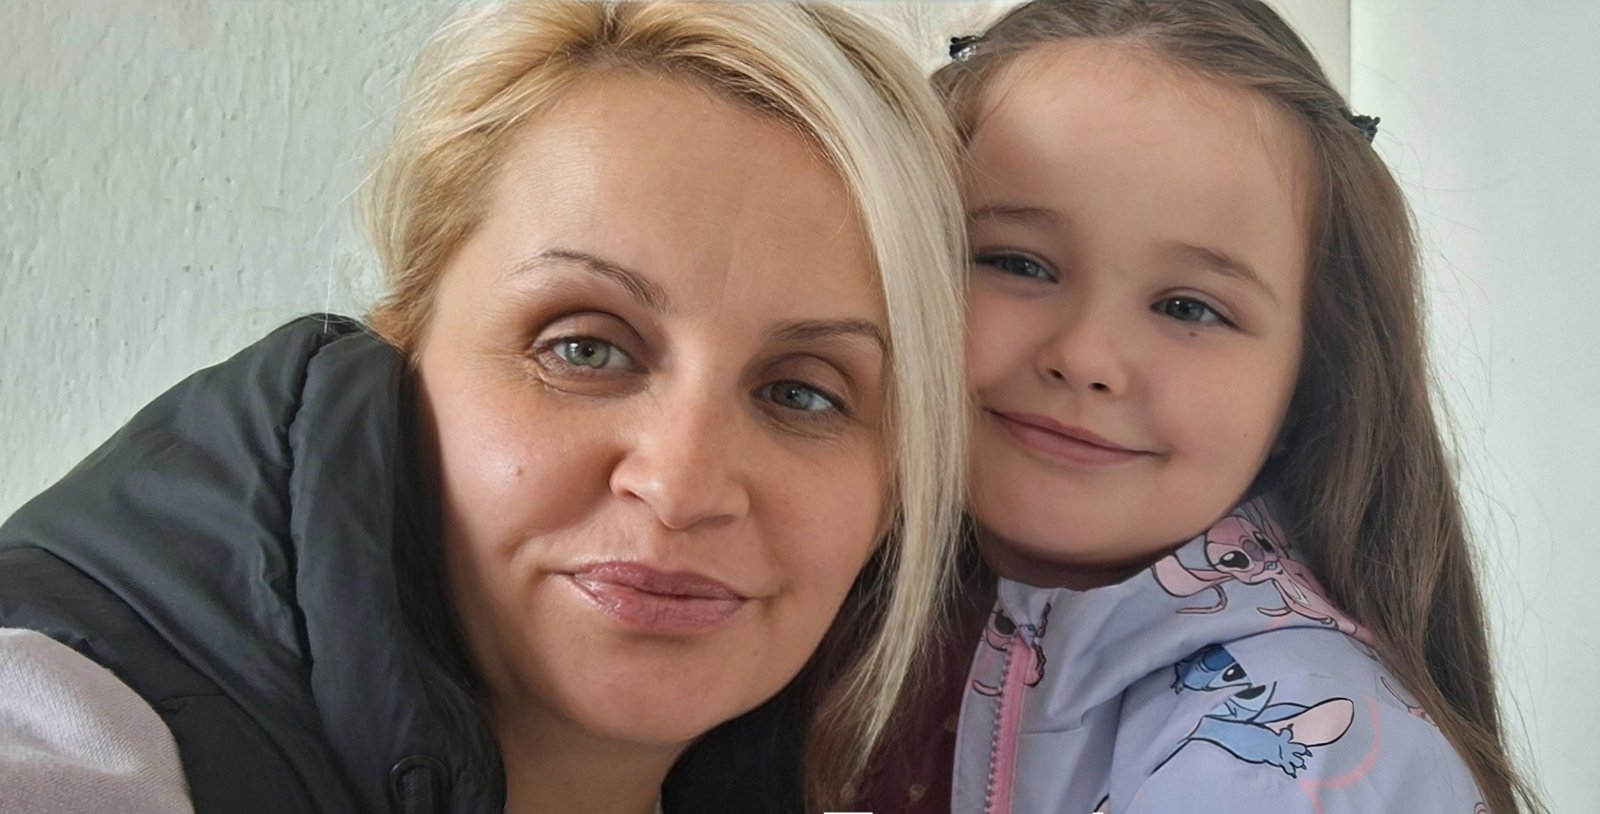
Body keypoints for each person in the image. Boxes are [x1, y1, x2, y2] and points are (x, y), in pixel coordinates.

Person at [0, 2, 970, 813]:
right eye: (584, 348)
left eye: (801, 392)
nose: (680, 486)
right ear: (404, 344)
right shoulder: (70, 731)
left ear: (896, 490)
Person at [863, 1, 1544, 812]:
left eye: (1189, 308)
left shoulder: (1300, 765)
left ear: (1313, 382)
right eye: (1018, 263)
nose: (1086, 357)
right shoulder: (799, 612)